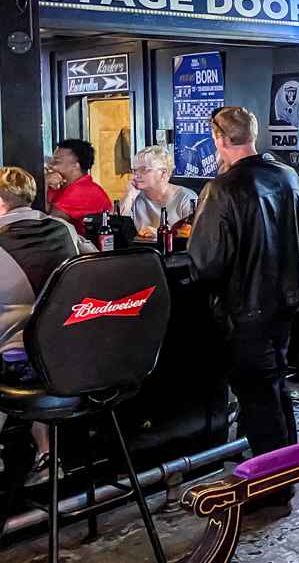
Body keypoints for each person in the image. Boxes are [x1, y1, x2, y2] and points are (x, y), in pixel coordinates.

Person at [188, 106, 299, 516]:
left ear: (219, 138)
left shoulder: (222, 189)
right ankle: (287, 470)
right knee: (274, 386)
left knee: (258, 395)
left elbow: (206, 262)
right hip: (286, 300)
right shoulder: (287, 176)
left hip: (246, 306)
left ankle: (271, 488)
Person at [0, 166, 96, 483]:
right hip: (72, 357)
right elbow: (95, 260)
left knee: (17, 351)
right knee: (37, 343)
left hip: (20, 366)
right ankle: (46, 455)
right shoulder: (63, 229)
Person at [119, 145, 198, 238]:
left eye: (143, 170)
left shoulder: (186, 198)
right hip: (143, 250)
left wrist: (161, 235)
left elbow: (196, 236)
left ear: (163, 173)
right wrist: (129, 195)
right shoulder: (135, 196)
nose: (136, 175)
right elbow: (115, 227)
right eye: (134, 170)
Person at [46, 139, 112, 235]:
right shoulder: (58, 186)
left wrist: (44, 182)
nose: (49, 165)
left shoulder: (86, 191)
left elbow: (48, 223)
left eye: (56, 162)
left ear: (76, 166)